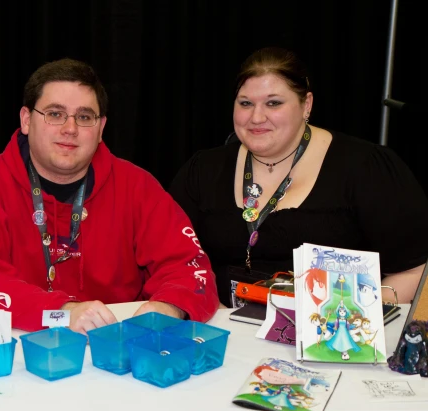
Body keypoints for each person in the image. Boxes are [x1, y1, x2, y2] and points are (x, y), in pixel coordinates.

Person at [0, 58, 219, 333]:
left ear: (101, 128)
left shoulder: (138, 187)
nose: (70, 129)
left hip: (119, 348)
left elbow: (190, 267)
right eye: (55, 114)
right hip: (21, 352)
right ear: (26, 119)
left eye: (84, 117)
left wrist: (167, 308)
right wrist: (63, 313)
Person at [169, 47, 428, 308]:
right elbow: (170, 260)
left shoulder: (367, 168)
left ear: (307, 105)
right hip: (221, 326)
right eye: (245, 103)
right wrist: (209, 311)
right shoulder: (203, 169)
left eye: (274, 103)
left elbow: (415, 272)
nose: (256, 117)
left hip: (328, 334)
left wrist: (343, 317)